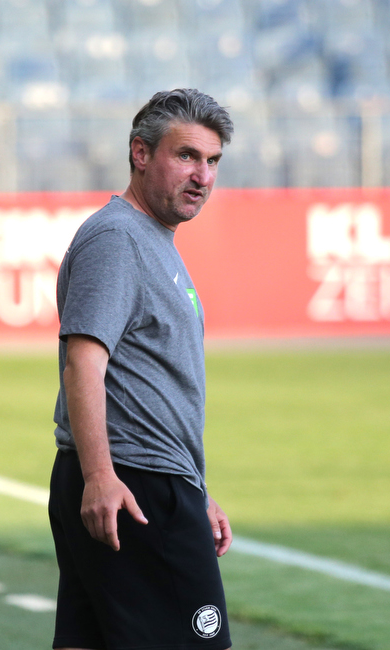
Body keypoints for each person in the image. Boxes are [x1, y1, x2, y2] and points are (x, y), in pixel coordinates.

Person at [47, 88, 235, 650]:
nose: (202, 175)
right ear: (140, 153)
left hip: (150, 480)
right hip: (133, 487)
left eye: (213, 161)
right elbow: (84, 360)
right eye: (187, 156)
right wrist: (102, 475)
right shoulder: (117, 238)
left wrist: (194, 487)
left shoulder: (152, 238)